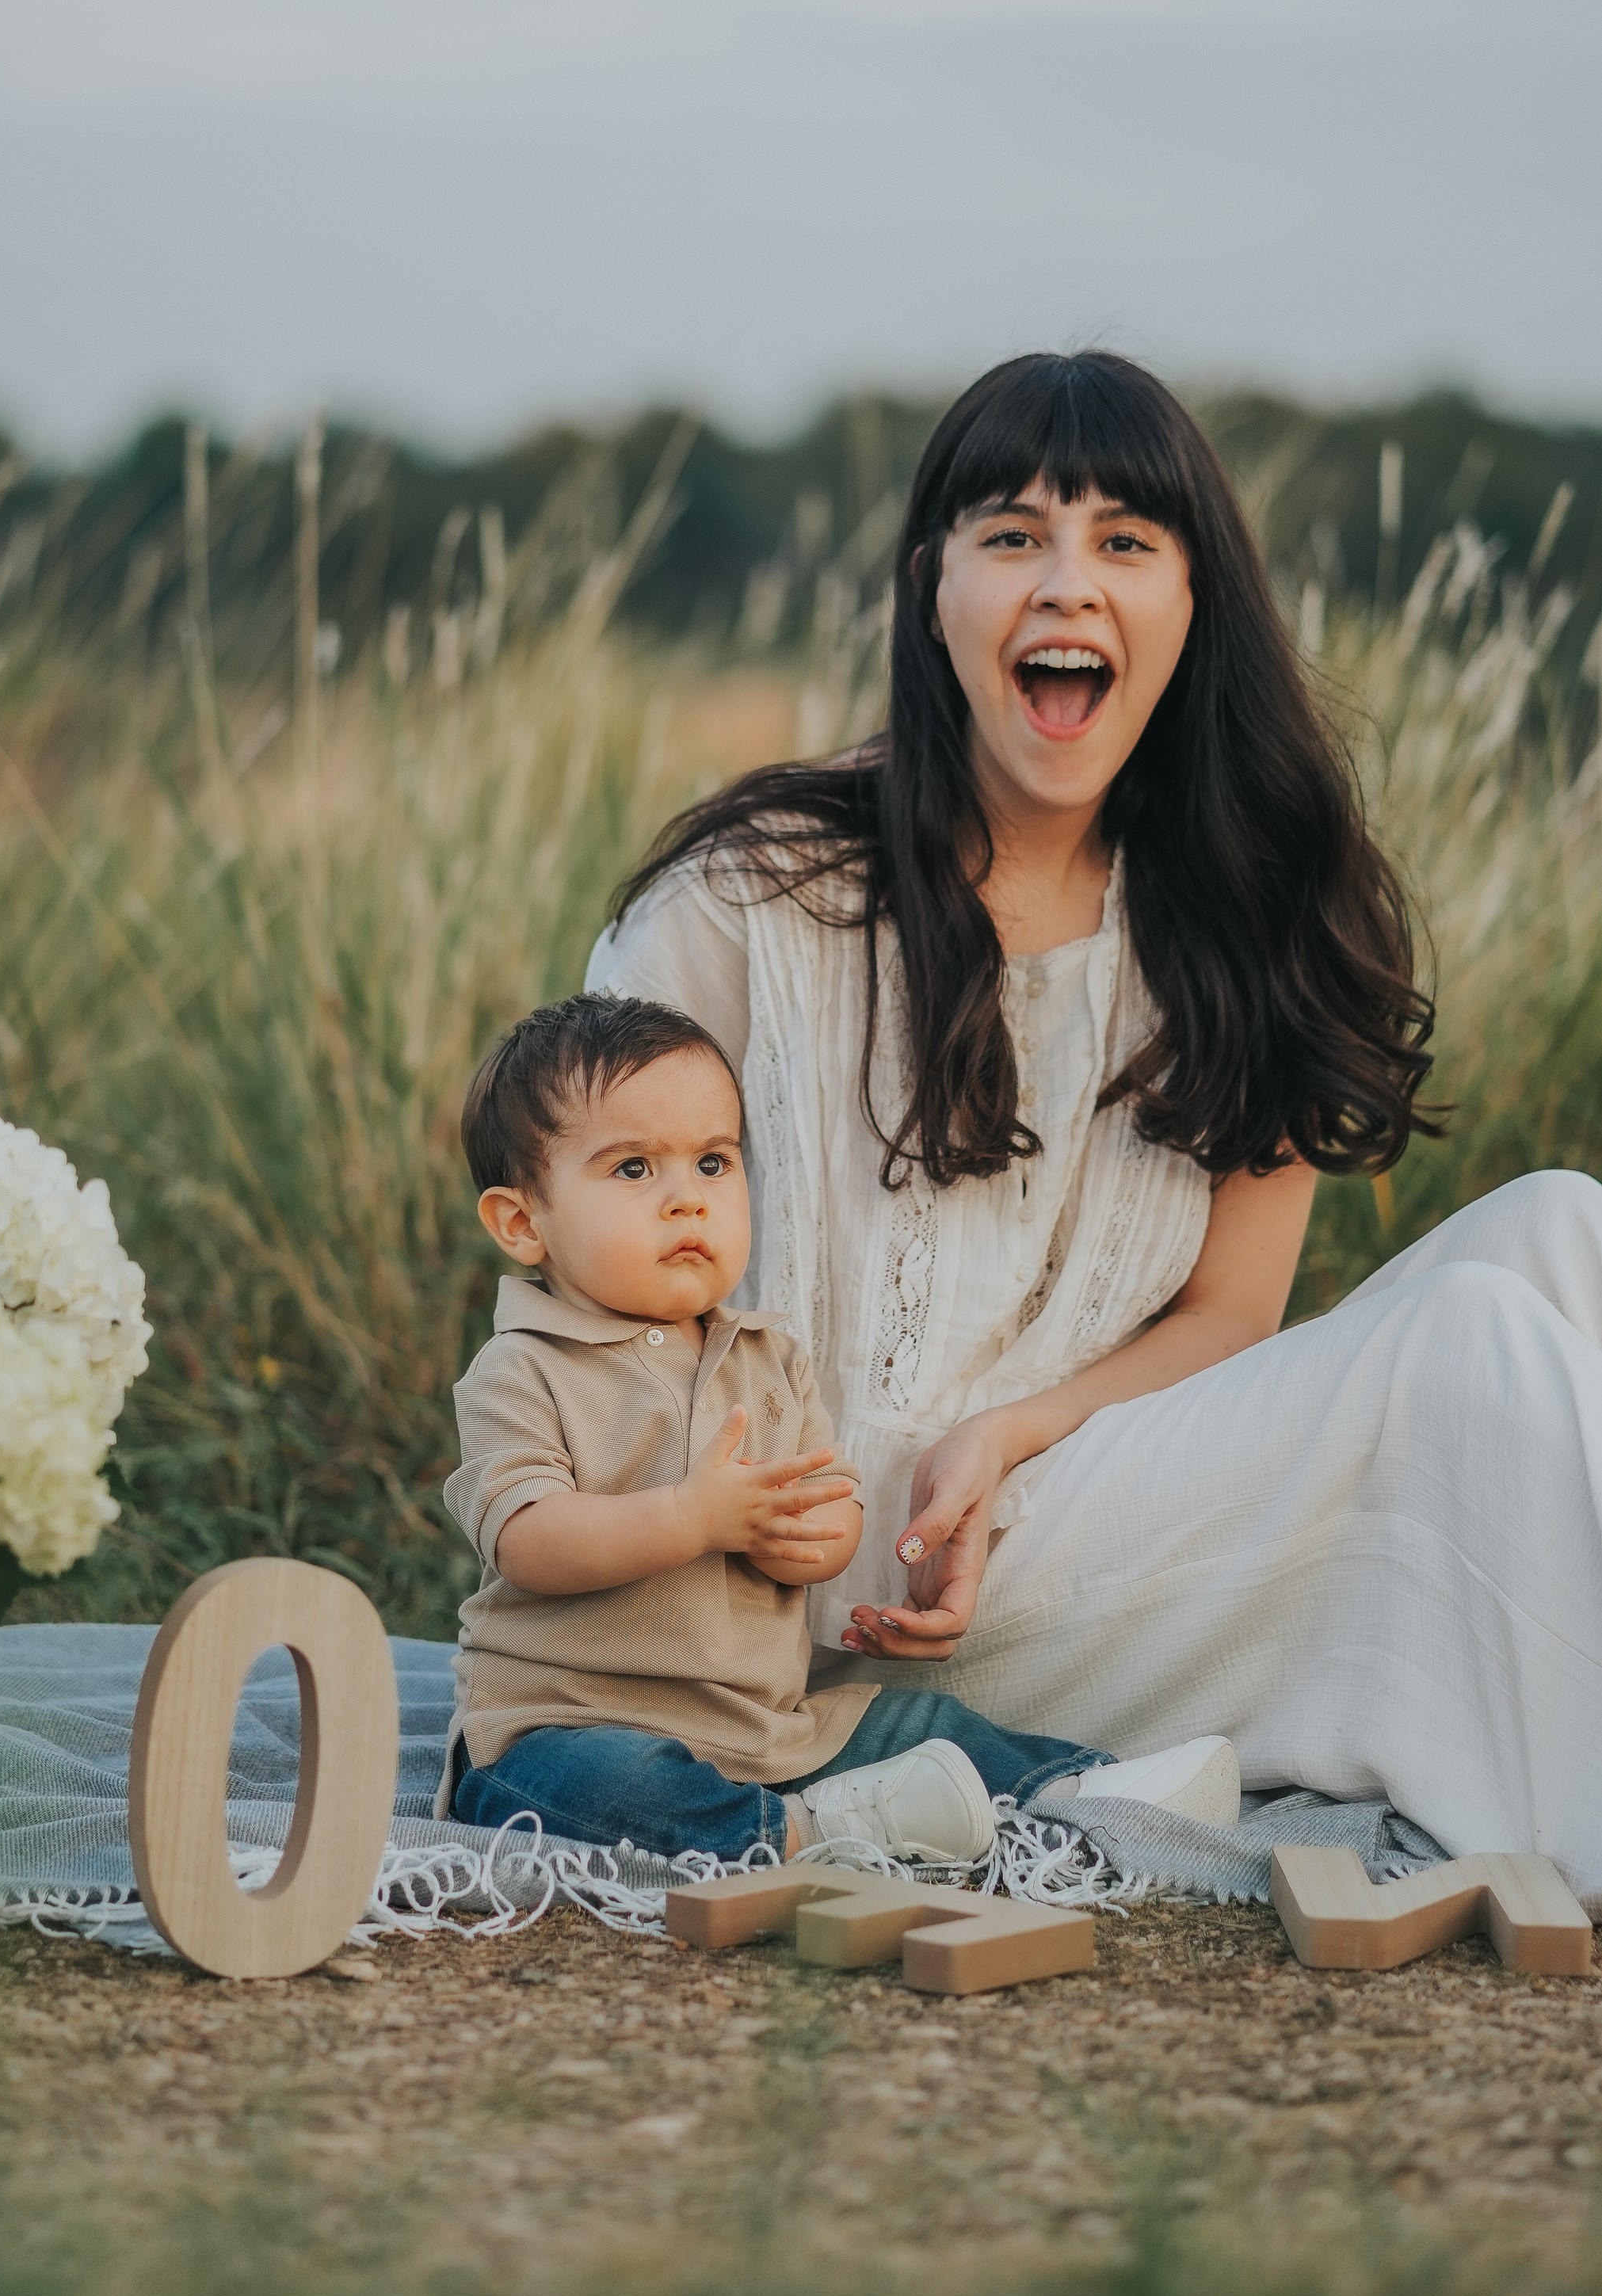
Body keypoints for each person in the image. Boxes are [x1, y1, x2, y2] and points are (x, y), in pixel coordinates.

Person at [589, 350, 1602, 1897]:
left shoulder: (1240, 901)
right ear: (932, 588)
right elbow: (597, 1318)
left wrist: (1006, 1432)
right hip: (832, 1575)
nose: (1067, 582)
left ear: (1194, 601)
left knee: (1560, 1223)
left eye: (1125, 540)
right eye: (1012, 535)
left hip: (1065, 1496)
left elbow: (1231, 1314)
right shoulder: (750, 902)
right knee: (1464, 1339)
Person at [438, 990, 1239, 1863]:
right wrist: (692, 1519)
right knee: (582, 1790)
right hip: (572, 1720)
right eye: (634, 1170)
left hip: (765, 1730)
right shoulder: (522, 1367)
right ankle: (808, 1835)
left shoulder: (768, 1356)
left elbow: (828, 1512)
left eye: (712, 1162)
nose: (686, 1200)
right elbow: (527, 1540)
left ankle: (1087, 1790)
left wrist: (809, 1539)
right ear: (521, 1222)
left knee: (912, 1716)